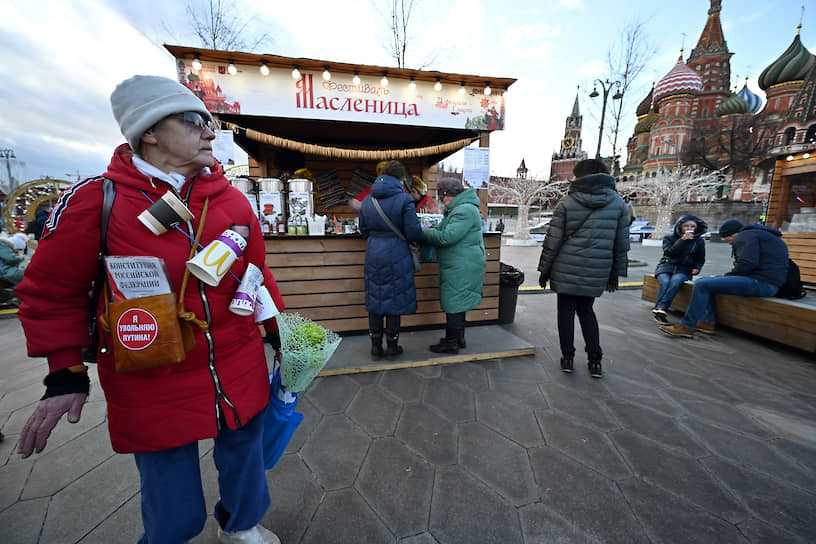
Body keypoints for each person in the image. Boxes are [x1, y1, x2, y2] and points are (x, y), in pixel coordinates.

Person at [14, 75, 285, 544]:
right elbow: (51, 293)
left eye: (209, 121)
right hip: (150, 370)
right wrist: (64, 373)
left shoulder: (233, 200)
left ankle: (241, 526)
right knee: (171, 500)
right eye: (194, 120)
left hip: (237, 361)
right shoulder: (96, 201)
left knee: (245, 458)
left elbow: (256, 273)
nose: (210, 132)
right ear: (149, 132)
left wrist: (279, 334)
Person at [537, 158, 629, 378]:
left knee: (565, 312)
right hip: (598, 269)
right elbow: (621, 244)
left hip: (565, 267)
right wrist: (616, 273)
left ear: (580, 177)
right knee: (587, 311)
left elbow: (553, 241)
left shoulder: (567, 203)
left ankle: (567, 357)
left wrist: (544, 270)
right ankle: (595, 360)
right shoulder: (618, 204)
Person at [660, 219, 789, 338]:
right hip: (769, 283)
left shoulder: (746, 236)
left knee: (702, 284)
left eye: (727, 240)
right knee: (710, 283)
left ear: (732, 234)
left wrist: (727, 277)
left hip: (761, 283)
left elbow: (748, 264)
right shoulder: (762, 235)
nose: (728, 243)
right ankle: (706, 323)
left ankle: (686, 326)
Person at [358, 160, 423, 358]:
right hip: (397, 253)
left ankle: (375, 346)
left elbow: (364, 231)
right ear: (401, 179)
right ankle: (393, 346)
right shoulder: (405, 200)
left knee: (376, 298)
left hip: (374, 253)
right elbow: (414, 233)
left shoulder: (368, 200)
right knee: (394, 300)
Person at [421, 178, 486, 354]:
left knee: (455, 302)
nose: (441, 202)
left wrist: (423, 233)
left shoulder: (463, 210)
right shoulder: (461, 209)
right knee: (459, 300)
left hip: (462, 264)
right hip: (462, 262)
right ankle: (458, 338)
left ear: (448, 195)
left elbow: (446, 237)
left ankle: (451, 343)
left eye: (442, 198)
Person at [651, 214, 707, 325]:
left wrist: (697, 267)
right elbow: (669, 253)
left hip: (684, 269)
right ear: (680, 227)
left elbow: (700, 258)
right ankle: (660, 309)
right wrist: (682, 240)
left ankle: (661, 308)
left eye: (692, 226)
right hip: (666, 266)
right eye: (687, 226)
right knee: (665, 281)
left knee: (676, 281)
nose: (690, 229)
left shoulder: (699, 241)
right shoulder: (669, 238)